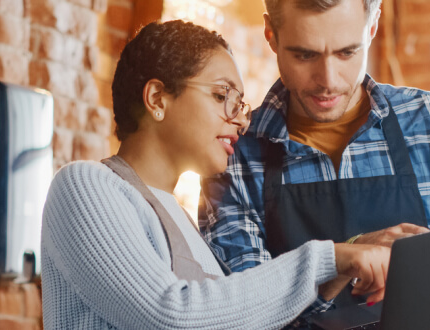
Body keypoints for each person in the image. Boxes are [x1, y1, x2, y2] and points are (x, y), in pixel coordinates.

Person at [39, 20, 394, 329]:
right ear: (158, 99)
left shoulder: (182, 219)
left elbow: (226, 314)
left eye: (239, 104)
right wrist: (328, 258)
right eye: (221, 95)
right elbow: (170, 316)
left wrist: (346, 261)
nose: (241, 119)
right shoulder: (85, 186)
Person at [199, 0, 430, 329]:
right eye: (305, 54)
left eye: (347, 52)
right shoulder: (232, 157)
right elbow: (245, 316)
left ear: (371, 28)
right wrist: (342, 260)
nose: (328, 79)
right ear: (271, 34)